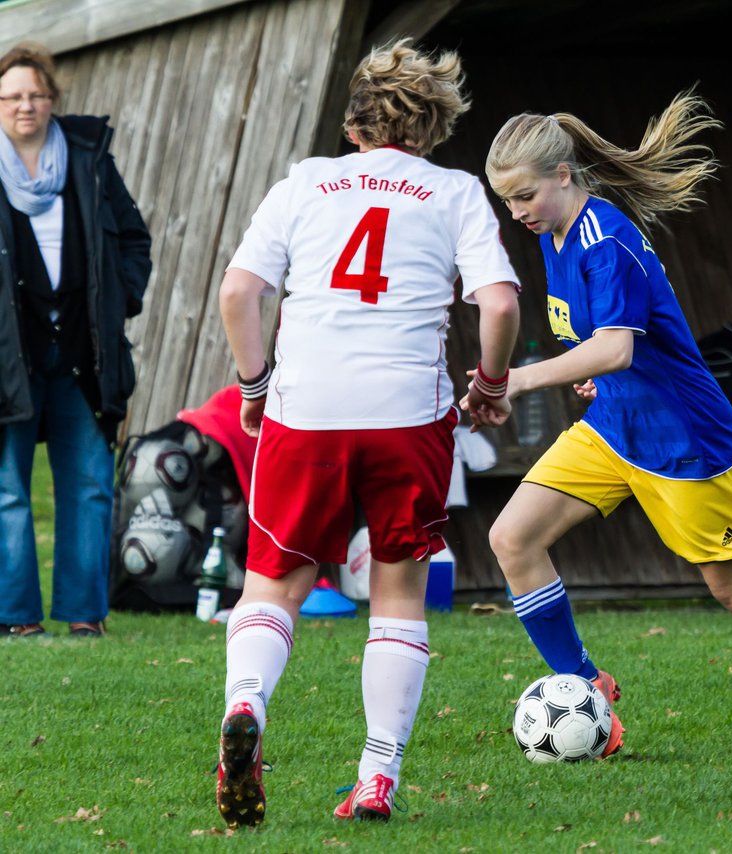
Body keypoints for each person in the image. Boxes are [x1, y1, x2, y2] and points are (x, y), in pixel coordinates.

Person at [470, 93, 732, 760]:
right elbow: (610, 348)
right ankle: (586, 685)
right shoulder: (556, 234)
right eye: (507, 202)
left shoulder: (604, 238)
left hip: (682, 437)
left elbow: (618, 346)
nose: (517, 213)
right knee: (513, 538)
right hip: (614, 428)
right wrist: (594, 376)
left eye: (524, 196)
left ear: (564, 176)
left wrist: (517, 378)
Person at [214, 41, 520, 827]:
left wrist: (254, 387)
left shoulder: (304, 183)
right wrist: (487, 386)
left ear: (354, 124)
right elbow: (501, 305)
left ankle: (246, 705)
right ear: (433, 125)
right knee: (397, 589)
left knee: (273, 583)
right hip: (406, 414)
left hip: (305, 408)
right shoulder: (452, 191)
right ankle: (377, 775)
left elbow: (240, 290)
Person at [0, 43, 151, 638]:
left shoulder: (88, 158)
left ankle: (85, 617)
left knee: (89, 483)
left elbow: (134, 239)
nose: (24, 105)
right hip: (9, 356)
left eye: (35, 94)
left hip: (85, 354)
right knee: (7, 488)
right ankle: (16, 618)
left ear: (53, 99)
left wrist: (119, 303)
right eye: (11, 96)